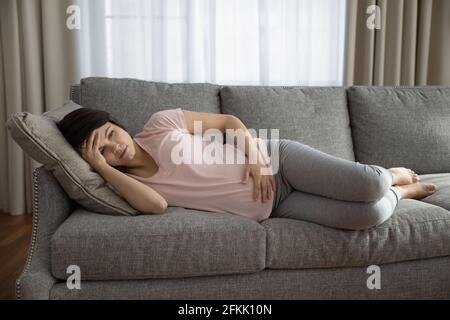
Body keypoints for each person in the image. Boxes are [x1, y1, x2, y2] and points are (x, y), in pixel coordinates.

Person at [57, 107, 437, 230]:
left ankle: (391, 174)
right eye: (101, 151)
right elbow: (156, 206)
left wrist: (256, 160)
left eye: (110, 133)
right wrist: (102, 169)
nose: (114, 146)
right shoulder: (127, 183)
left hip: (276, 160)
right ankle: (401, 192)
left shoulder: (161, 124)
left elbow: (228, 124)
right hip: (273, 207)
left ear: (117, 122)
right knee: (369, 216)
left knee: (368, 186)